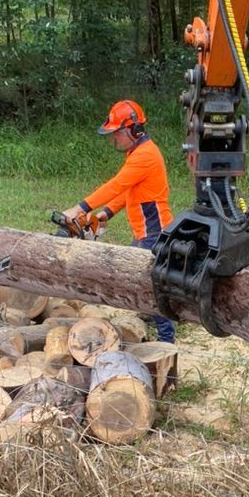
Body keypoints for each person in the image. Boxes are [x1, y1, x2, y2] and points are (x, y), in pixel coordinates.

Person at [62, 99, 176, 344]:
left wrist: (80, 208)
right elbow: (129, 190)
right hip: (145, 230)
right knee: (139, 276)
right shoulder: (137, 152)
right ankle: (150, 313)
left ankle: (167, 339)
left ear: (133, 130)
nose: (113, 138)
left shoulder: (145, 156)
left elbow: (117, 184)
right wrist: (108, 212)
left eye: (117, 133)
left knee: (149, 287)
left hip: (154, 232)